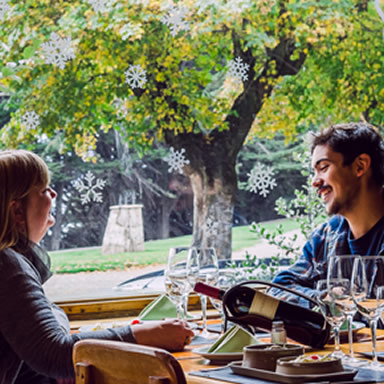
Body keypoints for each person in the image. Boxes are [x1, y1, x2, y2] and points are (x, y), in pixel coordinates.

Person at [0, 149, 194, 384]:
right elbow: (54, 352)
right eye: (43, 190)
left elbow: (30, 352)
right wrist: (143, 335)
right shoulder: (8, 266)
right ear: (17, 211)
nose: (53, 194)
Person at [271, 122, 384, 307]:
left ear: (360, 166)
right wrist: (323, 297)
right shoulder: (326, 235)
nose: (315, 182)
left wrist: (342, 307)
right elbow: (278, 288)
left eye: (323, 168)